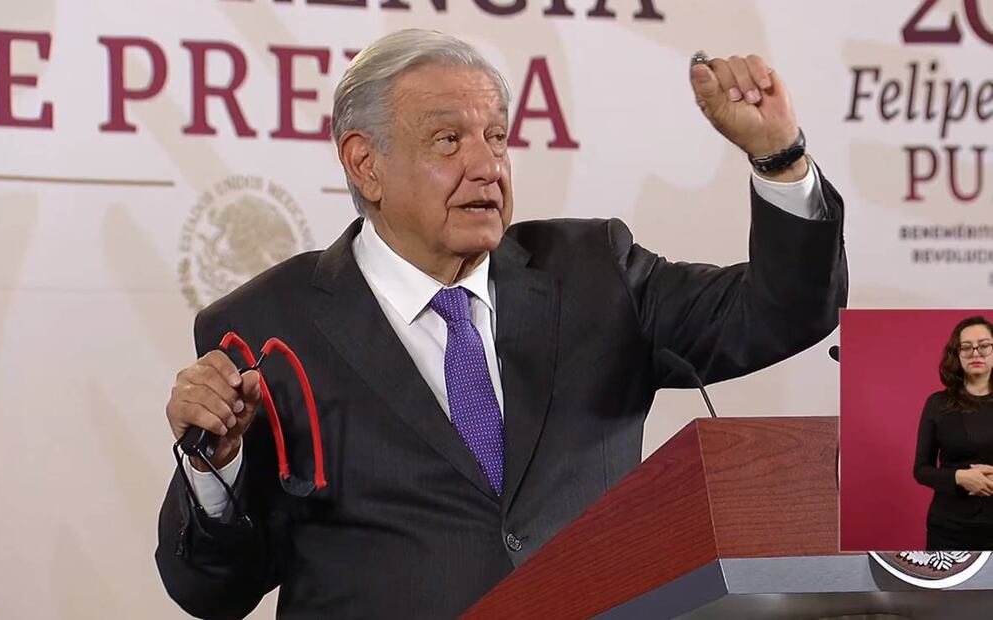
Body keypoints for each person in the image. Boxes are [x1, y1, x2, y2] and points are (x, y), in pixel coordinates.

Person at [155, 29, 848, 618]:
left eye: (494, 137)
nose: (487, 166)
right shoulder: (266, 325)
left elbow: (782, 310)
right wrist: (214, 471)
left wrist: (779, 160)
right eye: (448, 141)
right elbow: (213, 591)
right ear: (365, 164)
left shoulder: (595, 274)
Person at [914, 316, 993, 551]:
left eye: (984, 345)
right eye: (966, 347)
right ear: (956, 355)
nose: (975, 353)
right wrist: (959, 478)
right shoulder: (938, 404)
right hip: (949, 529)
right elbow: (921, 470)